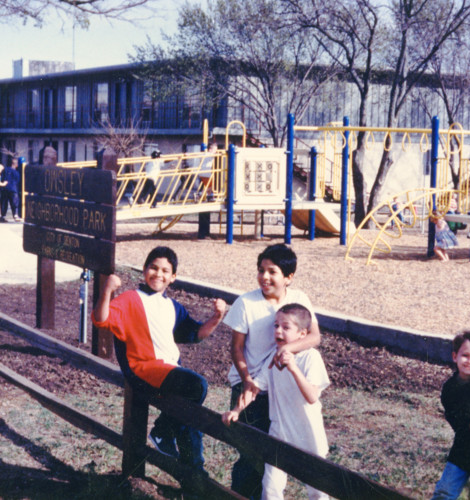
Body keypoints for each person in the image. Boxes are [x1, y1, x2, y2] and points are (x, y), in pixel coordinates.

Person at [92, 246, 226, 480]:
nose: (158, 274)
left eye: (165, 270)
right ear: (144, 269)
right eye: (153, 267)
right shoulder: (130, 299)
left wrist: (217, 317)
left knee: (188, 417)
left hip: (168, 371)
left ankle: (193, 476)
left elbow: (196, 333)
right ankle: (164, 431)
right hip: (143, 368)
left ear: (173, 277)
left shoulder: (172, 307)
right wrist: (108, 290)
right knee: (197, 387)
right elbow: (101, 320)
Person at [223, 243, 321, 499]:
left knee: (279, 457)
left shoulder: (299, 299)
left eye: (272, 271)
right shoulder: (246, 302)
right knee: (252, 456)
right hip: (251, 384)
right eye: (261, 270)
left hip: (284, 383)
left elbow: (314, 336)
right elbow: (236, 349)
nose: (264, 277)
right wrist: (246, 380)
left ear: (288, 277)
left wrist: (285, 351)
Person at [431, 331, 470, 500]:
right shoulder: (451, 389)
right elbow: (459, 424)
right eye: (465, 355)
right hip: (465, 446)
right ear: (454, 356)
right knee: (444, 493)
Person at [197, 142, 217, 239]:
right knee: (210, 186)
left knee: (208, 186)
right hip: (206, 174)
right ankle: (207, 195)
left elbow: (197, 155)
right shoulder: (210, 154)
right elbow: (216, 154)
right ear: (211, 148)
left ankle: (205, 195)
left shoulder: (204, 153)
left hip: (202, 174)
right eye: (215, 149)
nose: (216, 151)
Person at [0, 157, 21, 222]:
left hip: (4, 189)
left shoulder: (5, 170)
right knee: (14, 203)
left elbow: (2, 178)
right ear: (16, 164)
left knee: (4, 203)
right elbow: (18, 181)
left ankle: (3, 216)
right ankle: (15, 215)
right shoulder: (16, 172)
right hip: (13, 189)